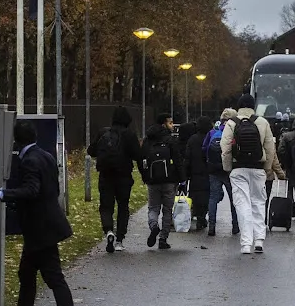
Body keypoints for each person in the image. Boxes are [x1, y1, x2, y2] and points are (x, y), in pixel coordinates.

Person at [0, 120, 80, 306]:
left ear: (16, 141)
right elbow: (51, 189)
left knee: (53, 278)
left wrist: (1, 194)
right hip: (44, 227)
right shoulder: (45, 155)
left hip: (41, 230)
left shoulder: (28, 161)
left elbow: (31, 190)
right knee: (26, 276)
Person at [221, 94, 275, 254]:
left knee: (242, 204)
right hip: (258, 168)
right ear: (253, 106)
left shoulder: (231, 123)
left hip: (238, 169)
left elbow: (225, 149)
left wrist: (228, 168)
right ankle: (259, 240)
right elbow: (270, 148)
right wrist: (267, 167)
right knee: (258, 203)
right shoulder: (262, 122)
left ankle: (245, 244)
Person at [87, 106, 143, 253]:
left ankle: (108, 231)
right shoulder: (129, 135)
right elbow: (138, 155)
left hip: (105, 176)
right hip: (124, 176)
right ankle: (119, 239)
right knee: (123, 207)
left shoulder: (104, 133)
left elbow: (91, 151)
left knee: (106, 206)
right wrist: (144, 175)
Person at [141, 113, 186, 249]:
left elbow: (142, 160)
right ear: (163, 124)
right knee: (167, 210)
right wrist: (182, 179)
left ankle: (154, 225)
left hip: (153, 180)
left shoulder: (148, 140)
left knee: (153, 208)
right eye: (170, 123)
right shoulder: (170, 140)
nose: (172, 126)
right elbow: (178, 161)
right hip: (169, 181)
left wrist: (146, 177)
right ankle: (163, 238)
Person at [202, 108, 239, 236]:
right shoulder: (234, 131)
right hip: (229, 170)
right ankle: (235, 226)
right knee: (233, 198)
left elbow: (204, 148)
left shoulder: (213, 132)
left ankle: (212, 226)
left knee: (213, 197)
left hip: (213, 170)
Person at [185, 116, 213, 230]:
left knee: (195, 194)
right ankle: (203, 215)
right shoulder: (211, 137)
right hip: (208, 171)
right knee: (207, 195)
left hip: (195, 172)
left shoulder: (192, 139)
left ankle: (197, 214)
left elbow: (188, 156)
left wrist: (186, 172)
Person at [277, 116, 295, 217]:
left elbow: (280, 150)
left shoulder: (286, 136)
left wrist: (284, 161)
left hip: (290, 166)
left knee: (289, 188)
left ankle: (290, 209)